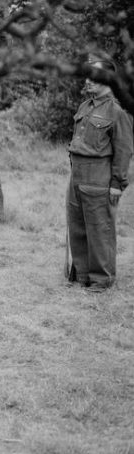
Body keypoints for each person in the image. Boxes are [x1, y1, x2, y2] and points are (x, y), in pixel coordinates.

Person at [66, 52, 133, 292]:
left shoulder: (118, 111)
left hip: (99, 175)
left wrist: (117, 183)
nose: (87, 81)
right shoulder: (85, 106)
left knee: (99, 228)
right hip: (78, 174)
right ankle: (82, 274)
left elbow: (124, 150)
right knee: (78, 225)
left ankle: (102, 279)